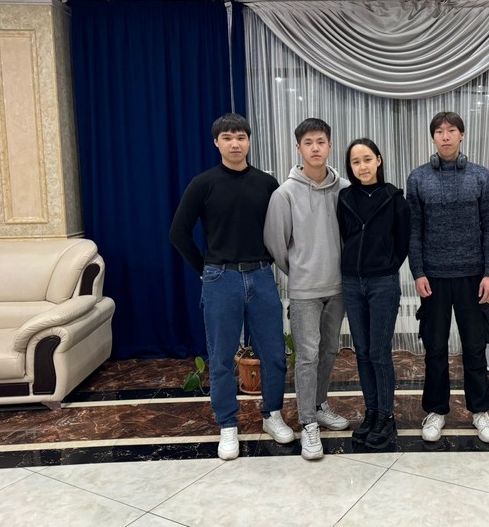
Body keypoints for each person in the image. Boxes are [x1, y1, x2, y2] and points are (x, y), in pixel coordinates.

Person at [169, 112, 294, 461]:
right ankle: (227, 424)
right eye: (227, 138)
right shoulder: (203, 183)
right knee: (222, 357)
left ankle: (272, 414)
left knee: (273, 353)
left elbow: (281, 229)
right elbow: (178, 233)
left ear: (249, 141)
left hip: (261, 275)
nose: (235, 143)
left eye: (241, 137)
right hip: (220, 278)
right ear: (216, 143)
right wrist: (204, 269)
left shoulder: (267, 184)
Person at [406, 111, 489, 444]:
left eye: (451, 130)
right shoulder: (418, 178)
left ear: (462, 135)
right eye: (439, 131)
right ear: (433, 137)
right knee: (434, 348)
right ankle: (436, 410)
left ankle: (480, 410)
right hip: (433, 277)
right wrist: (418, 272)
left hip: (473, 276)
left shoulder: (480, 176)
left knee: (475, 347)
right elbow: (414, 230)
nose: (445, 136)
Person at [264, 117, 350, 460]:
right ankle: (308, 423)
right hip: (304, 291)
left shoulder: (345, 189)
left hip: (338, 287)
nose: (315, 148)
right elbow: (276, 244)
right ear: (298, 148)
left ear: (330, 146)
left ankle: (319, 404)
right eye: (308, 143)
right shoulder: (284, 194)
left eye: (321, 142)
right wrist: (301, 272)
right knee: (307, 356)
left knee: (329, 351)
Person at [337, 138, 411, 449]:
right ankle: (371, 412)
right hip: (352, 283)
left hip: (383, 283)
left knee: (379, 352)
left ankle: (386, 416)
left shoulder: (394, 198)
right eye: (355, 162)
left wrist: (386, 265)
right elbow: (345, 235)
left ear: (378, 160)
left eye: (367, 159)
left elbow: (403, 242)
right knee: (362, 351)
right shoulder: (344, 198)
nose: (362, 166)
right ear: (350, 167)